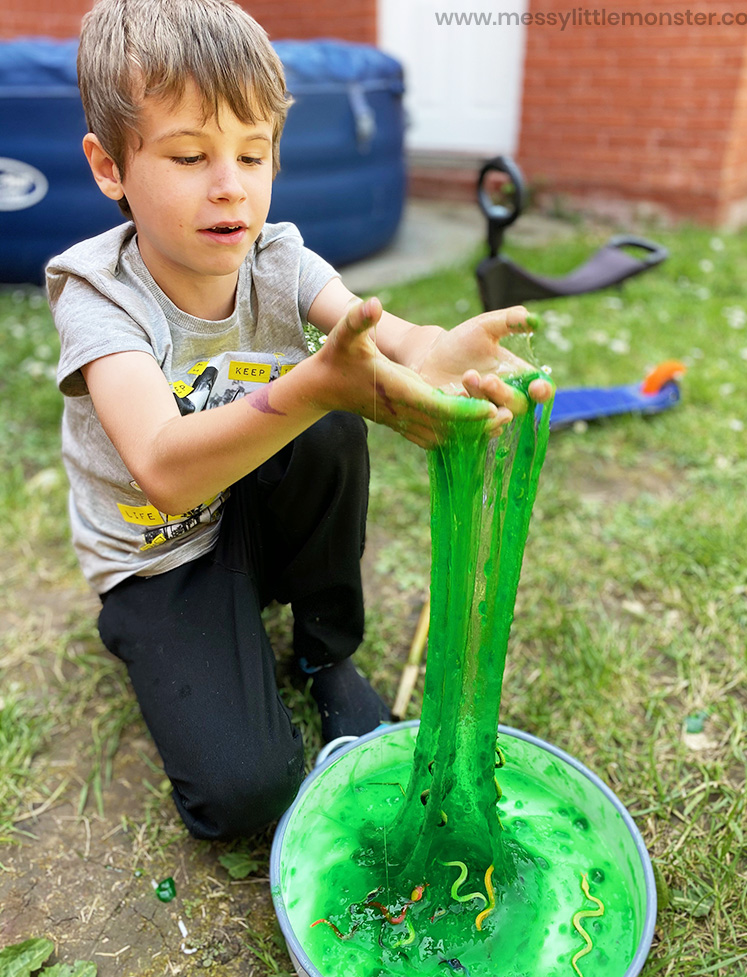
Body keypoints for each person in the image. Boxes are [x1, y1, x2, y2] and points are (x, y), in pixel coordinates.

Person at [47, 0, 552, 842]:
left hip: (246, 509)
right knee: (249, 794)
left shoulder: (278, 257)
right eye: (189, 155)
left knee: (328, 427)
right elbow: (165, 469)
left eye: (253, 153)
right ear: (110, 167)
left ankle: (323, 649)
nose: (230, 185)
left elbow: (392, 337)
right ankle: (194, 635)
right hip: (158, 560)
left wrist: (434, 348)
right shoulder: (100, 296)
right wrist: (315, 384)